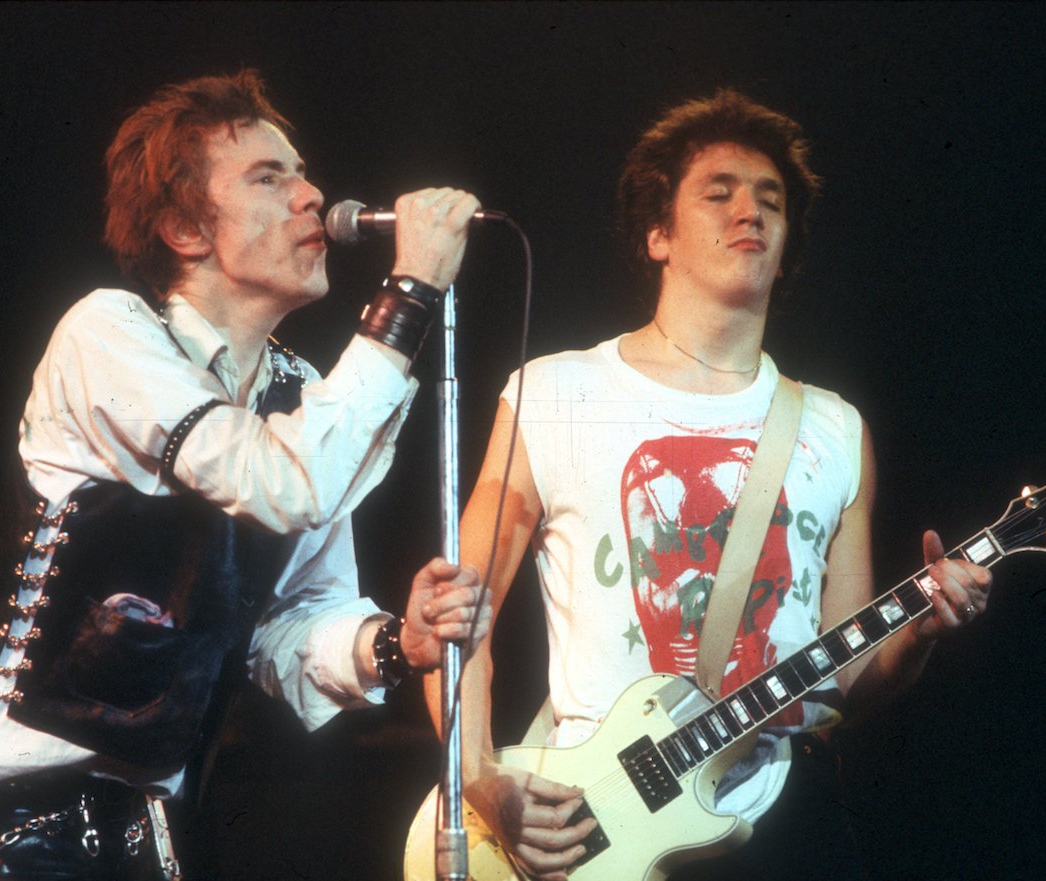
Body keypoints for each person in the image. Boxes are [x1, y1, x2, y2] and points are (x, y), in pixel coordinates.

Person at [0, 68, 490, 881]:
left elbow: (290, 623)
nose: (311, 195)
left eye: (300, 170)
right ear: (185, 228)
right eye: (269, 176)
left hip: (144, 823)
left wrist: (396, 642)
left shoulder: (304, 399)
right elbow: (280, 480)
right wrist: (409, 291)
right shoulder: (109, 334)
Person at [424, 89, 993, 881]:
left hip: (783, 819)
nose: (750, 212)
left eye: (771, 200)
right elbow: (458, 620)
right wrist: (482, 780)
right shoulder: (553, 392)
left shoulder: (834, 427)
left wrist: (920, 635)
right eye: (718, 194)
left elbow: (848, 681)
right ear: (658, 234)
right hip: (584, 824)